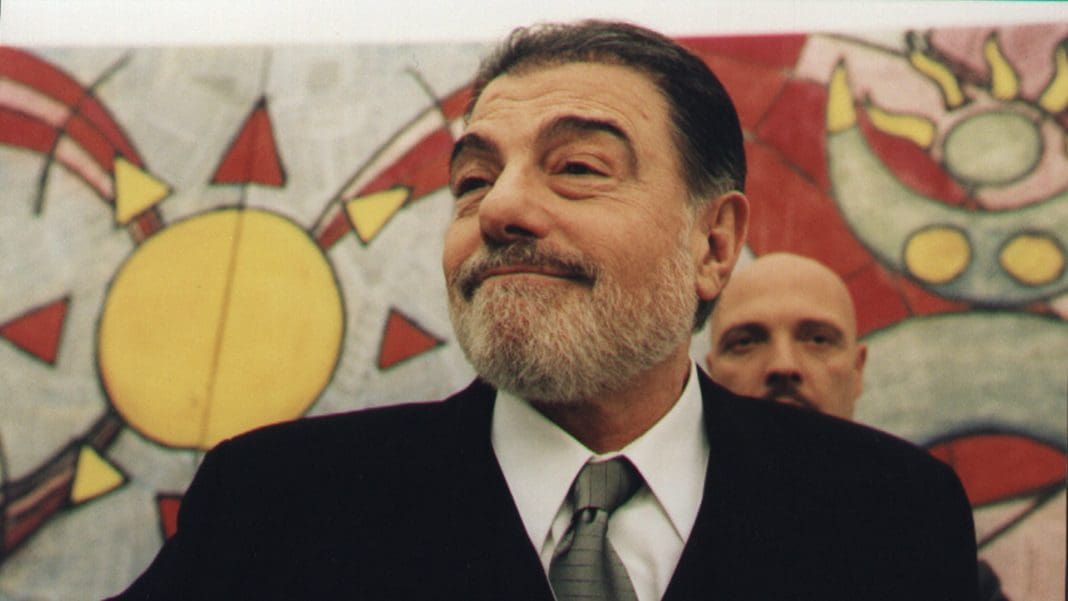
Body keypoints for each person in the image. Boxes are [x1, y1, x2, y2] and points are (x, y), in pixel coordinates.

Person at [111, 20, 979, 600]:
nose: (499, 209)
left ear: (714, 245)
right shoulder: (276, 508)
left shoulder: (891, 514)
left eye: (577, 168)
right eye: (473, 178)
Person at [705, 251, 1008, 601]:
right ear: (711, 374)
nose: (783, 365)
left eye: (818, 339)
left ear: (857, 370)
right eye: (745, 342)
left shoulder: (937, 570)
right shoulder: (665, 550)